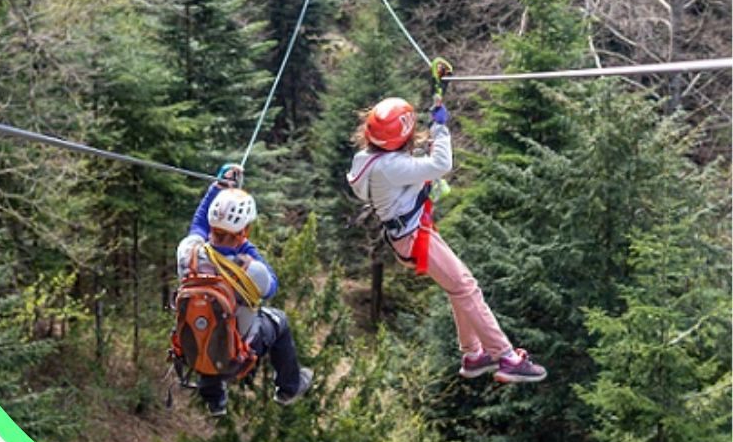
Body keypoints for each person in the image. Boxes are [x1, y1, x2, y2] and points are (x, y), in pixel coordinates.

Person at [347, 97, 547, 384]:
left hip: (409, 235)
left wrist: (432, 131)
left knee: (460, 287)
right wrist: (440, 129)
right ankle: (505, 357)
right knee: (466, 288)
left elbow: (406, 163)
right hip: (415, 238)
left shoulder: (368, 159)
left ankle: (474, 355)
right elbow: (441, 163)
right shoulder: (390, 166)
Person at [176, 174, 313, 416]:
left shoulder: (188, 254)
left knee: (207, 317)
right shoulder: (251, 269)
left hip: (194, 351)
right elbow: (272, 286)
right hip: (236, 358)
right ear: (244, 230)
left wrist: (215, 189)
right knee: (279, 320)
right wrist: (244, 246)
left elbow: (197, 225)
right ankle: (288, 388)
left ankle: (214, 399)